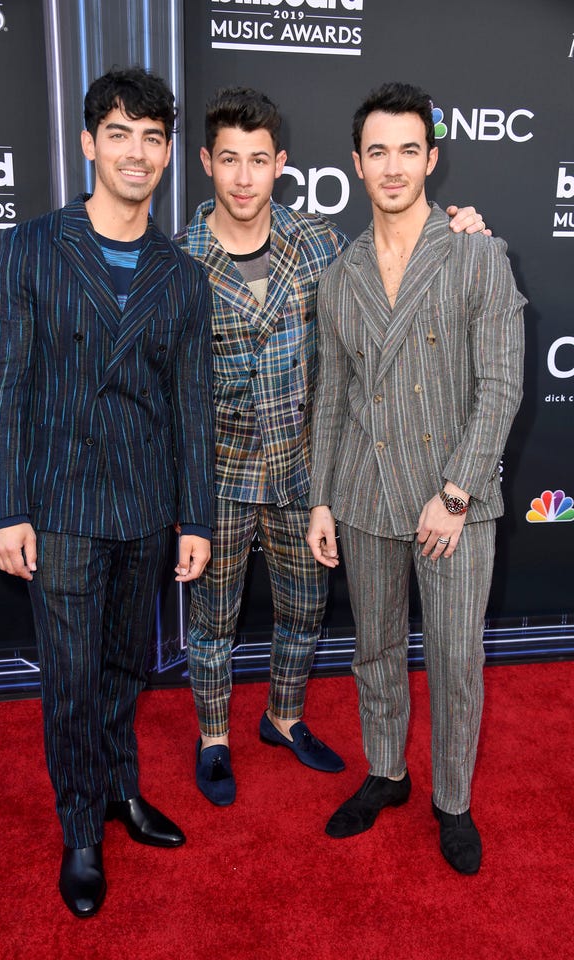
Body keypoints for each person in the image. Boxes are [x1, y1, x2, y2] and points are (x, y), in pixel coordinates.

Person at [175, 86, 488, 806]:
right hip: (219, 477)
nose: (245, 177)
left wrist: (461, 226)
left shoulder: (318, 244)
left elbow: (397, 258)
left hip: (305, 472)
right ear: (207, 164)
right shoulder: (180, 258)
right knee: (212, 623)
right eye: (230, 160)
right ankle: (214, 737)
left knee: (304, 613)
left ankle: (283, 718)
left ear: (280, 163)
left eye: (259, 160)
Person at [0, 67, 215, 917]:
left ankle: (121, 790)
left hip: (145, 508)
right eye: (119, 134)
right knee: (73, 677)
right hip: (62, 508)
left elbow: (191, 407)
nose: (136, 152)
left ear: (168, 153)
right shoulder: (33, 247)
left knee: (124, 667)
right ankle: (80, 827)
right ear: (88, 144)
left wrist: (196, 517)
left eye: (152, 137)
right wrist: (7, 509)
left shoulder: (182, 276)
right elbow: (4, 386)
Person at [307, 82, 525, 875]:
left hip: (453, 503)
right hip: (366, 495)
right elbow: (332, 395)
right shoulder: (340, 275)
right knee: (375, 651)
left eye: (408, 150)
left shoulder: (476, 253)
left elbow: (501, 384)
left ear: (432, 158)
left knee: (457, 659)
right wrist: (322, 498)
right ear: (357, 164)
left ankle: (453, 800)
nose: (393, 166)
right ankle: (387, 772)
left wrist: (457, 493)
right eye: (378, 152)